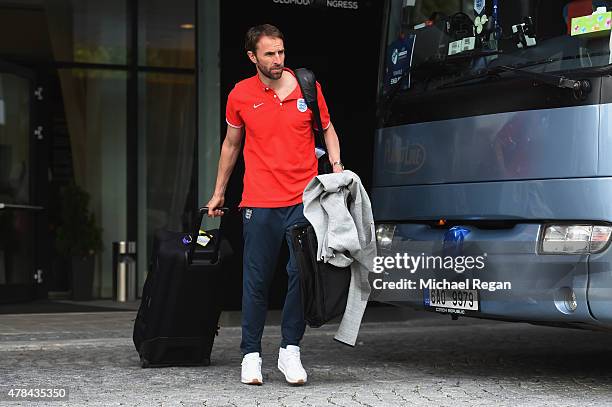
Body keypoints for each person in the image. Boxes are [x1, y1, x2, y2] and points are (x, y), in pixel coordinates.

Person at [204, 24, 344, 386]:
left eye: (281, 52)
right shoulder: (239, 95)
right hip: (260, 201)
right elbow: (231, 145)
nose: (278, 60)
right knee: (256, 280)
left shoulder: (307, 87)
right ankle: (250, 354)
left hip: (303, 200)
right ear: (253, 57)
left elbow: (326, 128)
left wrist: (337, 168)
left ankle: (290, 351)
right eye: (269, 54)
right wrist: (219, 191)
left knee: (301, 275)